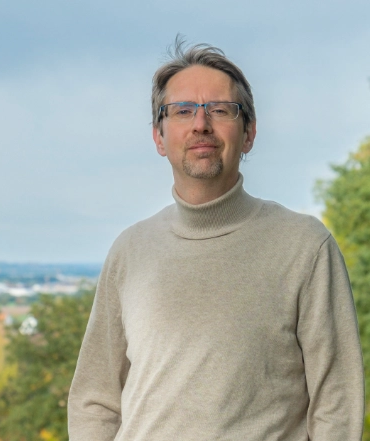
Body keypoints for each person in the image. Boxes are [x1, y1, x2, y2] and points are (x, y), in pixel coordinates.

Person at [68, 38, 365, 441]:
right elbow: (94, 400)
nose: (200, 124)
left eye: (221, 110)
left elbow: (337, 401)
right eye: (182, 111)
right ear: (159, 136)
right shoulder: (130, 251)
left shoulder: (305, 246)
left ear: (249, 134)